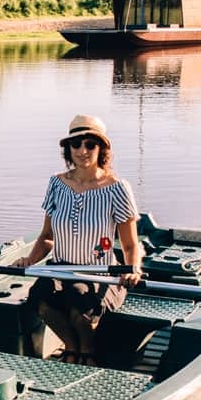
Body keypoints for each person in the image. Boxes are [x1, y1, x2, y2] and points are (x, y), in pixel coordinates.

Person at [13, 114, 143, 365]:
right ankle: (72, 348)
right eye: (76, 144)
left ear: (101, 148)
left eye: (90, 144)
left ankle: (88, 351)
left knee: (78, 305)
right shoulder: (56, 183)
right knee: (41, 298)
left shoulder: (117, 187)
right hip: (60, 267)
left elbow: (129, 244)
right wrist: (29, 260)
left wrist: (133, 269)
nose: (83, 151)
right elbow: (47, 237)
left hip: (100, 272)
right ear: (68, 149)